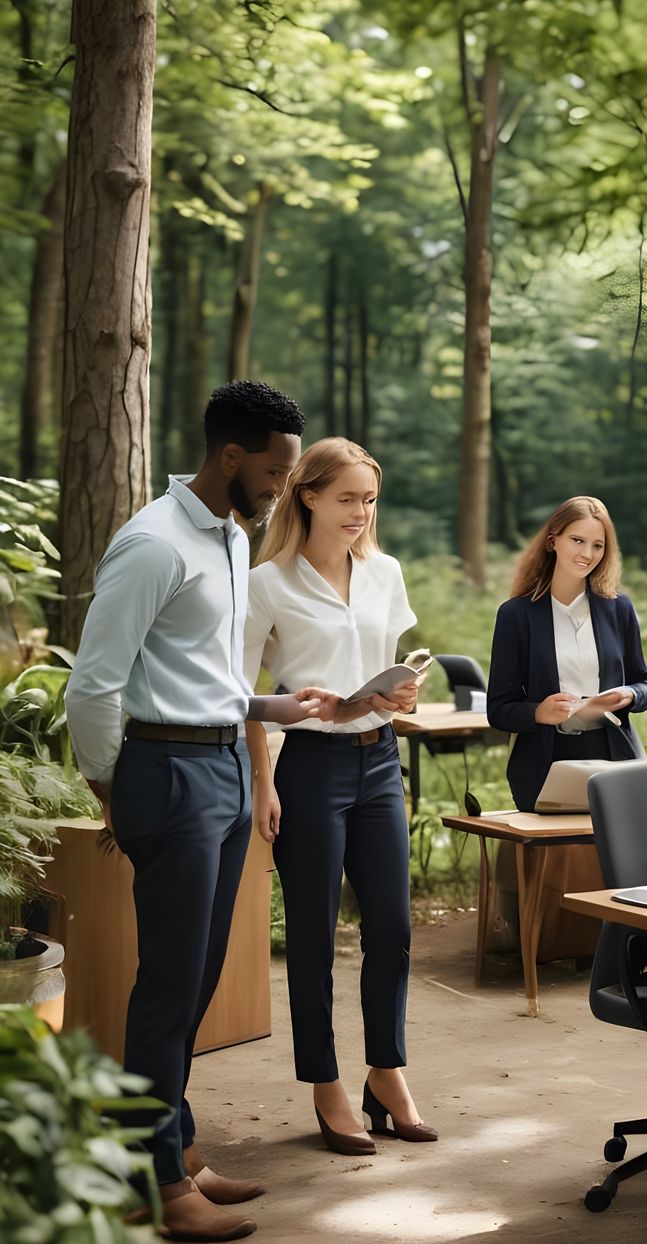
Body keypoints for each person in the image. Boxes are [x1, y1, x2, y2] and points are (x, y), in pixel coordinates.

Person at [64, 381, 336, 1243]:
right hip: (165, 774)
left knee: (200, 977)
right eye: (277, 469)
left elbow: (195, 668)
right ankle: (147, 1184)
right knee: (169, 986)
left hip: (219, 761)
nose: (285, 487)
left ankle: (172, 1150)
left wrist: (263, 708)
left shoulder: (230, 533)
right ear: (231, 456)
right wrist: (116, 787)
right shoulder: (151, 544)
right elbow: (94, 686)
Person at [242, 438, 435, 1159]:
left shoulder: (383, 573)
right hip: (308, 770)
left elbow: (394, 672)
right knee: (315, 938)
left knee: (393, 928)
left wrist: (403, 690)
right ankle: (325, 1086)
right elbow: (244, 699)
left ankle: (387, 1073)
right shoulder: (268, 583)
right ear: (309, 496)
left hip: (380, 761)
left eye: (370, 499)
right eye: (348, 497)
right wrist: (264, 783)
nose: (361, 512)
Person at [487, 496, 647, 810]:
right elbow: (498, 710)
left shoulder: (619, 608)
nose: (587, 554)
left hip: (615, 761)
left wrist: (629, 695)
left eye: (598, 545)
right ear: (553, 541)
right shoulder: (516, 615)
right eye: (577, 541)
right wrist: (539, 712)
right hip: (546, 765)